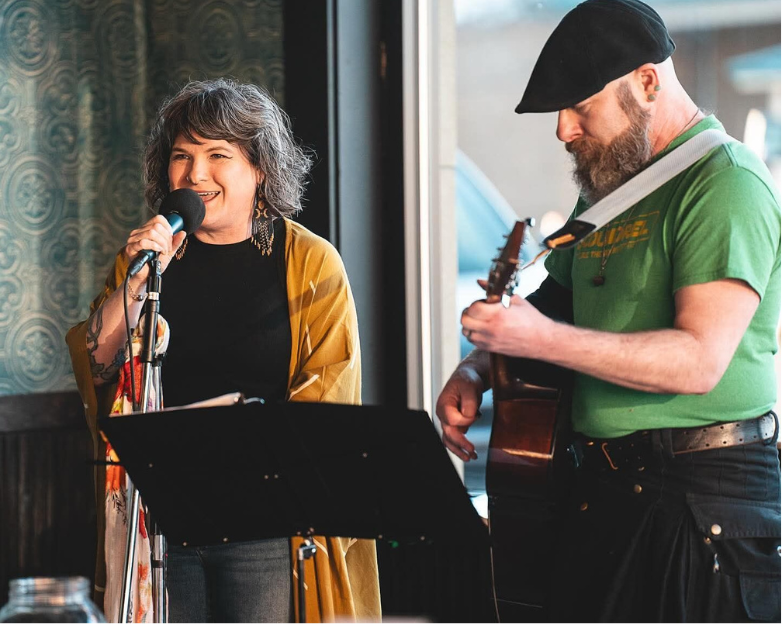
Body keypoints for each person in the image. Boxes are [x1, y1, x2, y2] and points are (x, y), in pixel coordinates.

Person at [436, 1, 782, 622]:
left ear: (646, 83)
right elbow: (552, 303)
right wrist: (478, 369)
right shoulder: (613, 190)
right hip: (601, 494)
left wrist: (540, 339)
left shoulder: (725, 183)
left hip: (704, 505)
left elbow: (699, 360)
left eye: (579, 106)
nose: (563, 130)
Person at [66, 79, 381, 624]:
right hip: (164, 514)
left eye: (218, 155)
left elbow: (329, 396)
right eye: (182, 156)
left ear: (260, 168)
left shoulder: (309, 262)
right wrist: (140, 278)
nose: (195, 174)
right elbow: (100, 364)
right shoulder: (149, 258)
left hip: (264, 520)